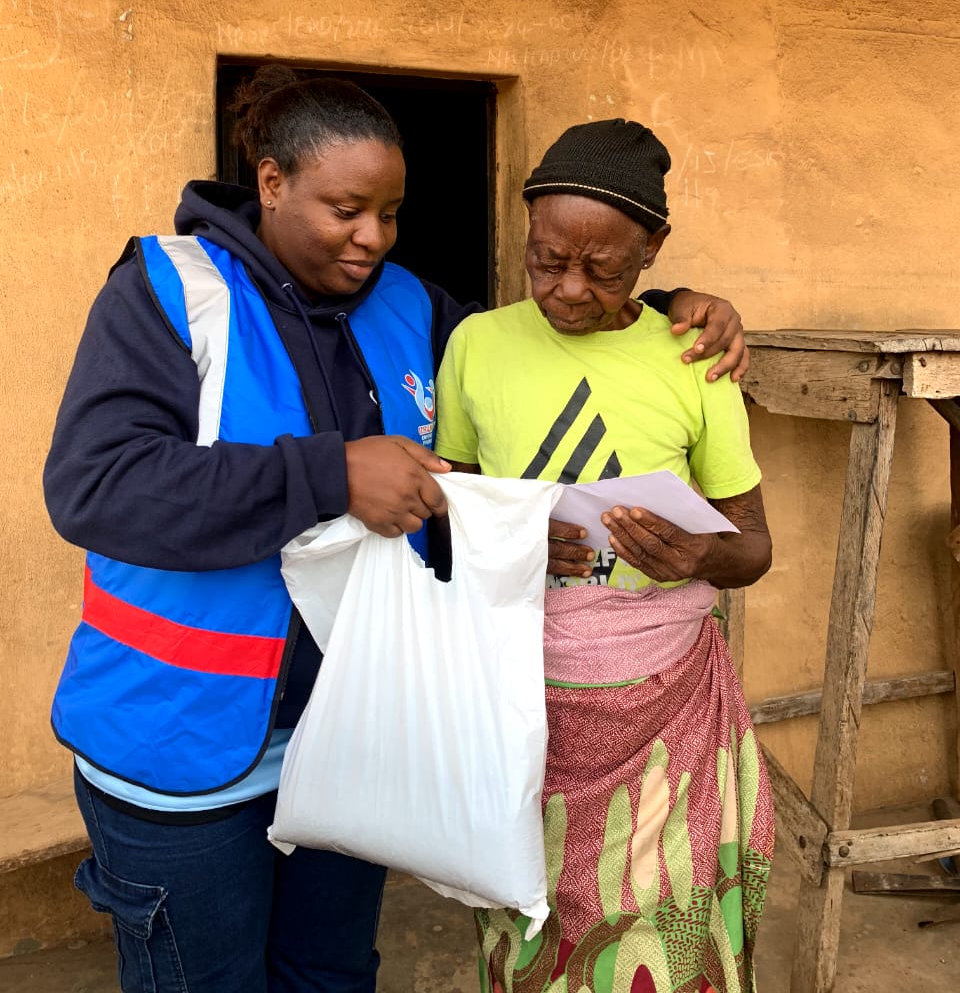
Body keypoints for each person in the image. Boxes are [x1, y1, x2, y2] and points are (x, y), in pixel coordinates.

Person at [44, 68, 752, 993]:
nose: (370, 238)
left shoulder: (412, 307)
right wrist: (330, 472)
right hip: (185, 750)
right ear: (270, 183)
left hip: (361, 731)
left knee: (331, 974)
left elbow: (557, 335)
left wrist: (673, 307)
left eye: (389, 213)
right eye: (345, 209)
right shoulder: (171, 291)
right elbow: (95, 486)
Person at [435, 118, 774, 993]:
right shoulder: (476, 344)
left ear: (653, 250)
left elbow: (754, 547)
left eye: (605, 269)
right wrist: (506, 532)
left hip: (666, 706)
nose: (571, 290)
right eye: (547, 261)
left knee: (660, 921)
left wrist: (699, 551)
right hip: (521, 702)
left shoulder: (693, 357)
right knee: (529, 920)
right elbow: (451, 512)